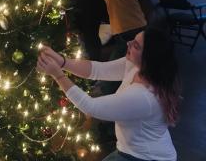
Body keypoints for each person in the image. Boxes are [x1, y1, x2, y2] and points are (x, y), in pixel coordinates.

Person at [37, 28, 180, 161]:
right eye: (133, 40)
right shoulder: (137, 67)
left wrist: (58, 75)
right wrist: (62, 62)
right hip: (131, 150)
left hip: (145, 157)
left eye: (136, 45)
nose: (129, 43)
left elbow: (90, 107)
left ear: (149, 59)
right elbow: (97, 70)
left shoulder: (143, 96)